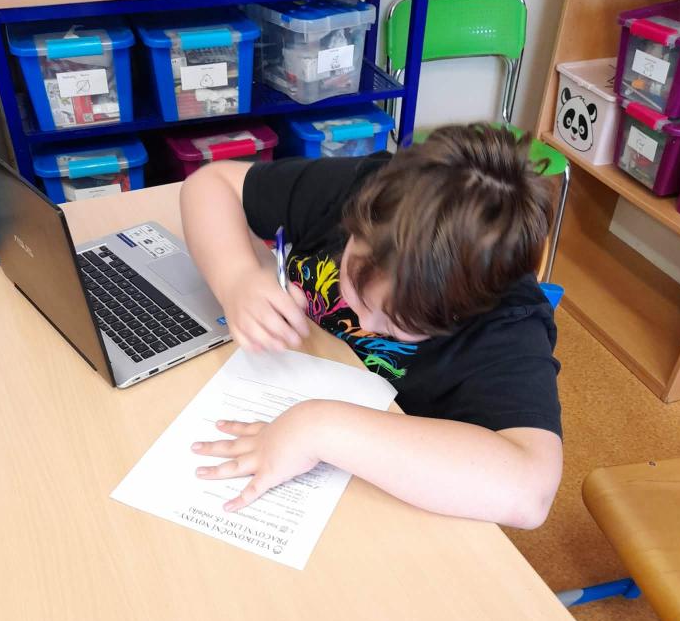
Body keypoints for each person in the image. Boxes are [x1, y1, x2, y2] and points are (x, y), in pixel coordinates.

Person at [179, 123, 562, 529]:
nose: (364, 321)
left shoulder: (506, 322)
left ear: (465, 310)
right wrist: (236, 277)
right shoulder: (369, 191)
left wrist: (318, 427)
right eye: (356, 290)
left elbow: (530, 492)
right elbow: (210, 184)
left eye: (398, 323)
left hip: (376, 503)